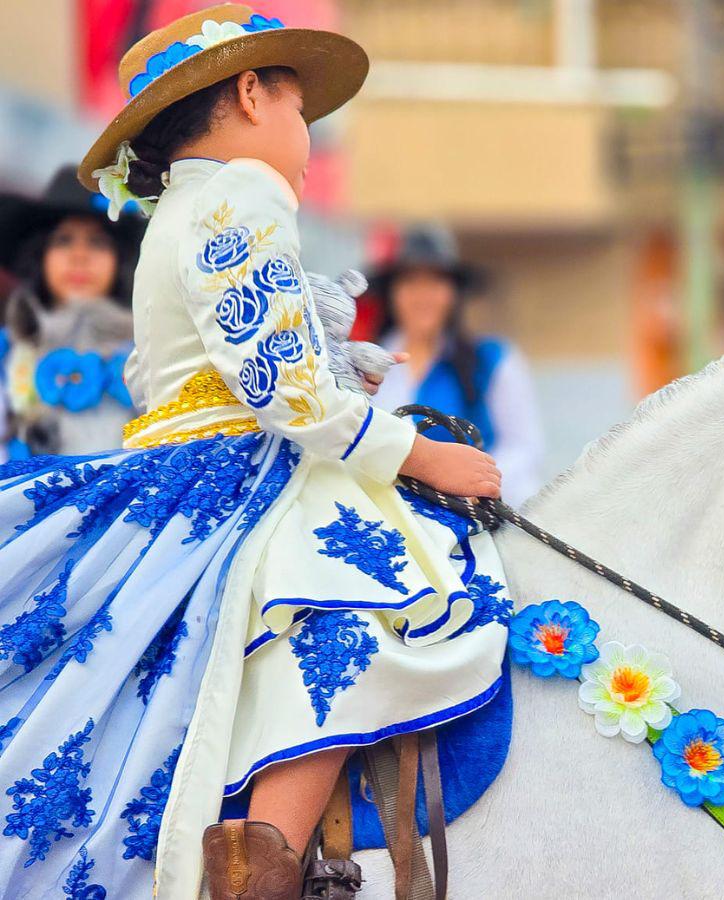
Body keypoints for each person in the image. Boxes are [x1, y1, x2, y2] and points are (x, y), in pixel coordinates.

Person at [0, 6, 510, 898]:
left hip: (178, 473)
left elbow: (198, 369)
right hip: (235, 473)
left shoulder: (183, 210)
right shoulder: (244, 191)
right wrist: (417, 456)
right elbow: (281, 381)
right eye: (300, 111)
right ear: (247, 94)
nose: (309, 140)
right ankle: (262, 868)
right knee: (355, 601)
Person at [369, 224, 545, 506]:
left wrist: (475, 483)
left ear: (453, 292)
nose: (423, 294)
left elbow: (524, 449)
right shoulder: (364, 367)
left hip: (475, 520)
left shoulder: (495, 362)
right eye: (411, 281)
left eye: (436, 281)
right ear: (392, 292)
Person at [0, 166, 145, 455]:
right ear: (39, 256)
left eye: (97, 242)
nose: (80, 256)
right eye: (64, 240)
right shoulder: (5, 353)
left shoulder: (146, 357)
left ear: (121, 262)